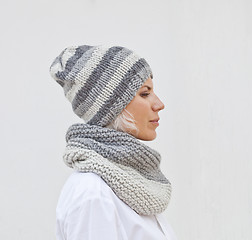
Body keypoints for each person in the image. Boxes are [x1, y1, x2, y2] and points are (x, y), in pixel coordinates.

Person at [50, 45, 176, 240]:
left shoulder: (132, 182)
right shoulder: (93, 194)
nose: (159, 104)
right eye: (145, 93)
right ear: (112, 108)